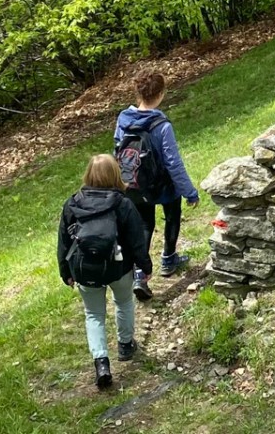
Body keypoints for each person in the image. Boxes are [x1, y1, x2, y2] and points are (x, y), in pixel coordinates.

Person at [56, 154, 154, 390]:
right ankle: (125, 344)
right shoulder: (123, 204)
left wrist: (65, 271)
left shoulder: (72, 203)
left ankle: (101, 363)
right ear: (115, 174)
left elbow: (63, 242)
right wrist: (145, 267)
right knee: (123, 303)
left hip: (84, 269)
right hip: (118, 267)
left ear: (88, 174)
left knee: (93, 314)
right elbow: (136, 240)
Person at [114, 70, 200, 300]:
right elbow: (173, 163)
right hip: (163, 186)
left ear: (138, 93)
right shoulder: (161, 125)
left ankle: (140, 273)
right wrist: (189, 192)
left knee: (144, 224)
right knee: (172, 216)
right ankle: (168, 259)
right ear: (161, 94)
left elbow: (118, 151)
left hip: (134, 185)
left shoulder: (123, 120)